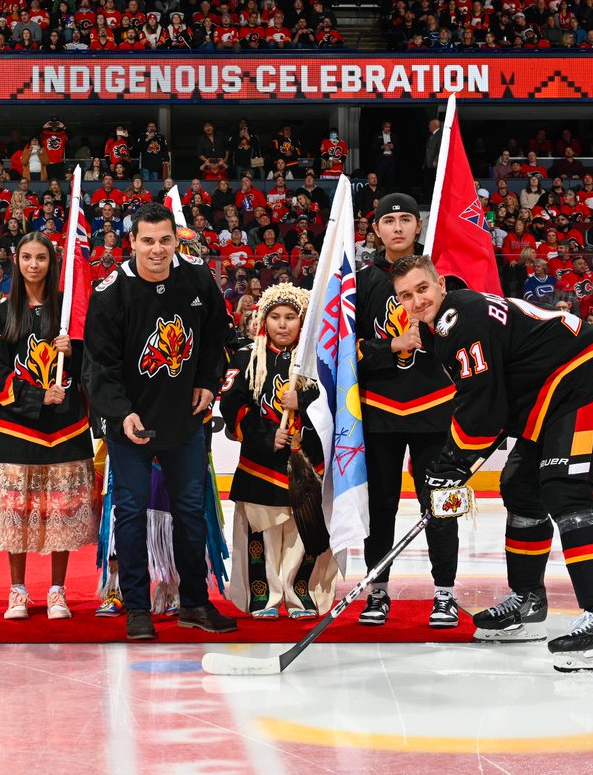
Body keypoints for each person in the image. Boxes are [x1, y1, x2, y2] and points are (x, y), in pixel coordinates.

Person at [392, 254, 593, 672]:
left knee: (565, 490)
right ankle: (529, 601)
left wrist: (448, 467)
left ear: (441, 286)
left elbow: (482, 410)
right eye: (405, 296)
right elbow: (495, 408)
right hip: (549, 393)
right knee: (521, 487)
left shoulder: (458, 318)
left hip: (581, 378)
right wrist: (454, 467)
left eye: (422, 289)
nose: (416, 301)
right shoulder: (450, 323)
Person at [83, 202, 238, 641]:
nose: (157, 249)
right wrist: (122, 413)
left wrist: (208, 383)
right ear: (131, 242)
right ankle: (136, 606)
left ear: (176, 240)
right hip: (130, 425)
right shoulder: (110, 292)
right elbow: (98, 366)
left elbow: (214, 337)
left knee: (191, 514)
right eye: (147, 240)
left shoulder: (195, 277)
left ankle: (193, 603)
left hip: (185, 423)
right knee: (129, 514)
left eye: (164, 240)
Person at [0, 233, 100, 620]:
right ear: (16, 261)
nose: (34, 265)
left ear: (52, 263)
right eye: (27, 257)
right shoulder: (0, 313)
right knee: (17, 513)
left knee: (59, 514)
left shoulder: (70, 313)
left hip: (66, 428)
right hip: (18, 429)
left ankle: (57, 590)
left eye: (42, 258)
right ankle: (17, 590)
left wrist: (76, 349)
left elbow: (96, 363)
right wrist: (35, 398)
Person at [357, 194, 460, 628]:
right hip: (379, 411)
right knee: (378, 506)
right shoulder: (358, 283)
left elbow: (467, 341)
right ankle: (377, 592)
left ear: (417, 227)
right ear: (376, 229)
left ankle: (445, 594)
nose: (397, 227)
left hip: (436, 410)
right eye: (388, 220)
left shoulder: (441, 279)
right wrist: (391, 346)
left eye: (405, 219)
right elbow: (346, 351)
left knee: (441, 503)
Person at [220, 284, 336, 619]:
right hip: (261, 465)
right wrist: (267, 435)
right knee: (264, 537)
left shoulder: (319, 362)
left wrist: (307, 401)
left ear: (303, 322)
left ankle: (302, 596)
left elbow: (339, 404)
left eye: (290, 317)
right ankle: (265, 598)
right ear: (263, 320)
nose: (282, 324)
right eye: (275, 317)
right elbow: (232, 405)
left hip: (308, 465)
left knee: (305, 534)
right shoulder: (245, 357)